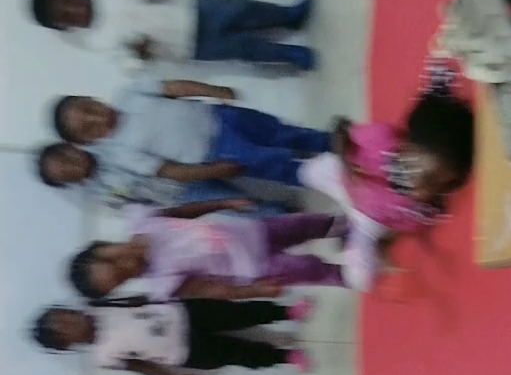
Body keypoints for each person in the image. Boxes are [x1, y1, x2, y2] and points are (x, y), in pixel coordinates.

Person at [35, 80, 331, 206]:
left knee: (279, 131)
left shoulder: (129, 93)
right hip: (216, 151)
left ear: (91, 98)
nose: (96, 117)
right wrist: (212, 171)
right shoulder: (122, 153)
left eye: (89, 108)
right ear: (88, 141)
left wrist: (215, 90)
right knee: (273, 163)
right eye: (88, 128)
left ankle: (327, 142)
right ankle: (325, 177)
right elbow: (168, 170)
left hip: (221, 116)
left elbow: (175, 87)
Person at [299, 81, 475, 288]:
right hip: (344, 182)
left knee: (361, 279)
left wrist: (379, 243)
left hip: (366, 220)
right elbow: (341, 129)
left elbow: (395, 228)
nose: (425, 191)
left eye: (437, 188)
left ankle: (347, 226)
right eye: (429, 178)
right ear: (407, 147)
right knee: (309, 171)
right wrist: (346, 163)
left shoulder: (418, 207)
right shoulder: (380, 138)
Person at [67, 200, 348, 302]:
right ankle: (349, 275)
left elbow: (185, 211)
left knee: (304, 224)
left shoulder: (143, 221)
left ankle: (347, 227)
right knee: (308, 268)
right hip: (254, 265)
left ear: (103, 246)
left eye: (115, 261)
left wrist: (224, 203)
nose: (127, 267)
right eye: (122, 278)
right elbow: (211, 289)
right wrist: (254, 291)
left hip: (251, 231)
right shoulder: (162, 282)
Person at [29, 0, 316, 72]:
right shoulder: (98, 42)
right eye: (67, 15)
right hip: (187, 46)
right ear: (67, 28)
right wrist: (139, 54)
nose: (74, 8)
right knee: (245, 49)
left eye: (68, 0)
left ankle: (290, 15)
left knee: (243, 10)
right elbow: (130, 65)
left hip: (189, 9)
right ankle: (292, 56)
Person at [33, 296, 315, 375]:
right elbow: (138, 366)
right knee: (237, 354)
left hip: (184, 312)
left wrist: (160, 297)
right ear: (67, 344)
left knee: (238, 313)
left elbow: (133, 301)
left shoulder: (95, 306)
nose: (71, 320)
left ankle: (286, 311)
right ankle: (285, 357)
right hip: (183, 352)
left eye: (64, 314)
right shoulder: (102, 356)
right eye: (64, 328)